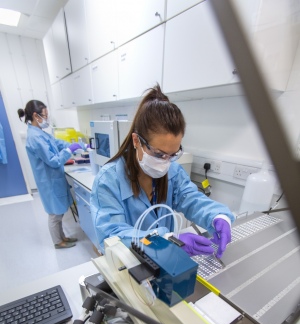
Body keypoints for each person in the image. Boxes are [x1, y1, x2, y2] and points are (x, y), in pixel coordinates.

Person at [90, 85, 235, 257]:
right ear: (136, 141)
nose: (165, 163)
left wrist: (218, 216)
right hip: (129, 266)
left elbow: (192, 199)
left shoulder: (173, 171)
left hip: (165, 263)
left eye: (172, 154)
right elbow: (111, 235)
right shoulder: (108, 180)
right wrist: (166, 240)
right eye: (158, 154)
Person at [18, 100, 82, 249]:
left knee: (58, 213)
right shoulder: (35, 137)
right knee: (55, 214)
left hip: (52, 178)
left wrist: (74, 145)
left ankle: (63, 237)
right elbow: (53, 161)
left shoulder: (39, 133)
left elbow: (56, 143)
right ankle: (58, 242)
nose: (47, 119)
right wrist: (69, 150)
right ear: (35, 115)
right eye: (45, 115)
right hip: (48, 181)